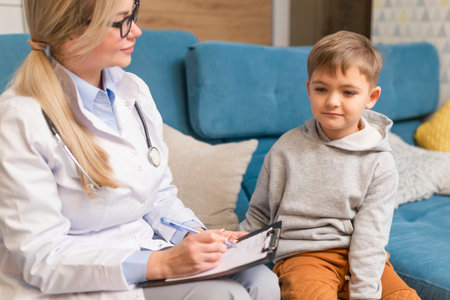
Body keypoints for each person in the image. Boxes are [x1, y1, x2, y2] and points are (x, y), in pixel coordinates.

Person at [0, 0, 280, 299]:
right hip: (80, 279)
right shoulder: (20, 119)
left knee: (262, 280)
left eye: (132, 16)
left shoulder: (133, 91)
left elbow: (157, 196)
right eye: (121, 22)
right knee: (223, 295)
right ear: (73, 35)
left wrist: (199, 238)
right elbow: (42, 259)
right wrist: (162, 263)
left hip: (144, 253)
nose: (136, 31)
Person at [240, 31, 420, 300]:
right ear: (308, 88)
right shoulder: (284, 149)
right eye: (321, 89)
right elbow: (259, 215)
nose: (332, 101)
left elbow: (371, 238)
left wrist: (364, 293)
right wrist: (231, 250)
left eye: (348, 92)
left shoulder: (379, 161)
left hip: (361, 255)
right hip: (303, 256)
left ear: (371, 98)